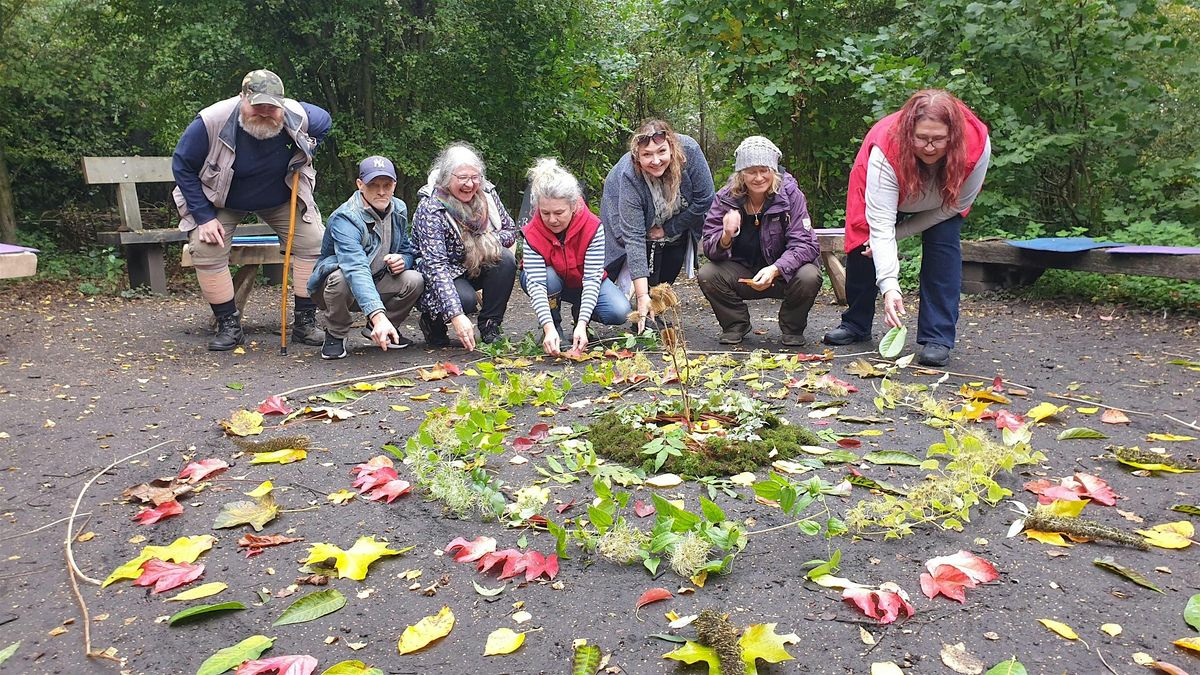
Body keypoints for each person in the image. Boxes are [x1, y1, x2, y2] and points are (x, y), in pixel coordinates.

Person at [823, 89, 991, 367]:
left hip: (943, 200)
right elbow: (880, 228)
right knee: (863, 245)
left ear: (953, 136)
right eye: (922, 138)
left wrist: (898, 234)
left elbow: (954, 206)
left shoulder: (977, 145)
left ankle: (937, 337)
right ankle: (856, 322)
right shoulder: (884, 150)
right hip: (890, 189)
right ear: (908, 133)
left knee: (944, 247)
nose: (929, 147)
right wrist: (890, 287)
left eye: (938, 139)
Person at [172, 69, 331, 351]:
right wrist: (204, 217)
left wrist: (310, 145)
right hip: (221, 199)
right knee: (205, 247)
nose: (265, 113)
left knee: (314, 240)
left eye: (272, 107)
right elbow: (182, 165)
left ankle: (305, 324)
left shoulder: (296, 114)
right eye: (257, 106)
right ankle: (229, 326)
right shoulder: (210, 121)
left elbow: (324, 122)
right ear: (242, 99)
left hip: (281, 197)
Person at [698, 136, 822, 347]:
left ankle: (792, 327)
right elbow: (710, 249)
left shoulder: (791, 194)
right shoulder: (725, 198)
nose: (758, 178)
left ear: (773, 170)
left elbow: (806, 244)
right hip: (742, 274)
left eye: (764, 170)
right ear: (741, 174)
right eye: (751, 171)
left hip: (782, 274)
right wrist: (726, 235)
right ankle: (735, 324)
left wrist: (776, 268)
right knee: (708, 274)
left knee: (810, 274)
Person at [600, 120, 715, 330]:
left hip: (677, 210)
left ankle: (656, 309)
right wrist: (642, 294)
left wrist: (669, 228)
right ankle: (636, 305)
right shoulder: (629, 175)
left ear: (672, 146)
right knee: (636, 248)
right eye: (647, 155)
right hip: (626, 210)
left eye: (661, 151)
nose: (655, 160)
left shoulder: (690, 151)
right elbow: (632, 238)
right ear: (637, 156)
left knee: (673, 248)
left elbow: (705, 199)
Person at [307, 156, 425, 360]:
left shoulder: (399, 209)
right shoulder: (345, 218)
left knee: (415, 279)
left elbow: (408, 251)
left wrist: (402, 261)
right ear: (360, 185)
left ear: (394, 185)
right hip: (335, 288)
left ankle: (380, 328)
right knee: (340, 278)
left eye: (386, 185)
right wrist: (377, 312)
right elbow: (355, 268)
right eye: (373, 185)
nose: (381, 191)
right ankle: (336, 333)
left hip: (378, 278)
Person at [410, 143, 517, 350]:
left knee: (505, 260)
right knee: (465, 301)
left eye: (475, 177)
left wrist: (485, 240)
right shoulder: (431, 207)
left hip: (474, 265)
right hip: (442, 273)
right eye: (463, 178)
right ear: (447, 178)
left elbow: (510, 230)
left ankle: (490, 326)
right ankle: (432, 322)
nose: (470, 184)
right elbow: (436, 266)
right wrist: (457, 315)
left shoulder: (487, 195)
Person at [520, 158, 631, 356]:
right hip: (548, 282)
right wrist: (548, 327)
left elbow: (591, 278)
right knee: (549, 279)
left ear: (573, 206)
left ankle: (580, 312)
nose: (552, 220)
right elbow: (536, 284)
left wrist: (582, 323)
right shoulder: (532, 233)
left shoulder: (592, 227)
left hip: (582, 281)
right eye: (545, 213)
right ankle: (554, 329)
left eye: (559, 212)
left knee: (620, 311)